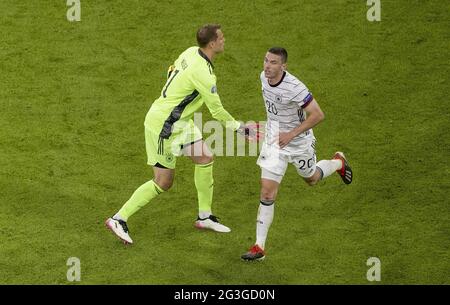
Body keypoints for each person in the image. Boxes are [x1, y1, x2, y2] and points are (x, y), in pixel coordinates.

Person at [106, 24, 249, 244]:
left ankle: (204, 216)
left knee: (205, 157)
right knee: (163, 182)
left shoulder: (191, 51)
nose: (224, 40)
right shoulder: (204, 75)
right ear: (212, 43)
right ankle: (119, 218)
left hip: (181, 122)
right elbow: (217, 110)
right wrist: (238, 127)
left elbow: (171, 69)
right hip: (164, 126)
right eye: (221, 37)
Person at [241, 47, 353, 261]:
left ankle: (338, 162)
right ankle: (259, 247)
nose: (267, 66)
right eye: (265, 60)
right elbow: (274, 110)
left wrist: (291, 134)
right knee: (266, 192)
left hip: (299, 142)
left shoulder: (295, 88)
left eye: (273, 62)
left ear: (284, 66)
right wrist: (261, 129)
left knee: (311, 178)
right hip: (275, 142)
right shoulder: (263, 78)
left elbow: (318, 115)